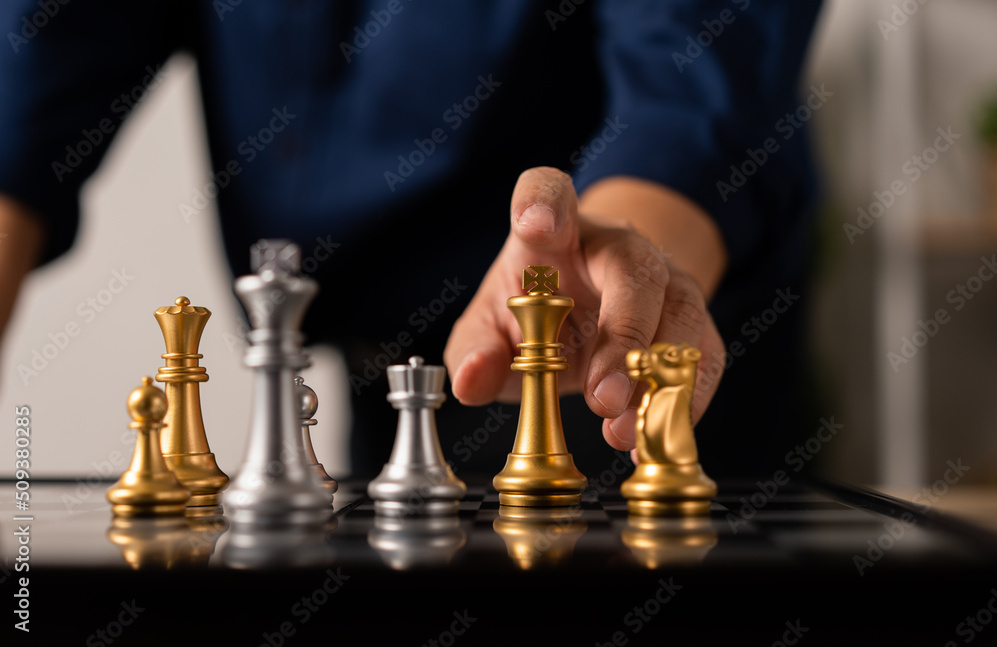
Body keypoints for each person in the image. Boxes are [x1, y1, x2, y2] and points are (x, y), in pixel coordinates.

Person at [0, 1, 824, 481]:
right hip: (381, 395)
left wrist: (619, 258)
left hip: (632, 376)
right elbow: (32, 82)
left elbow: (693, 84)